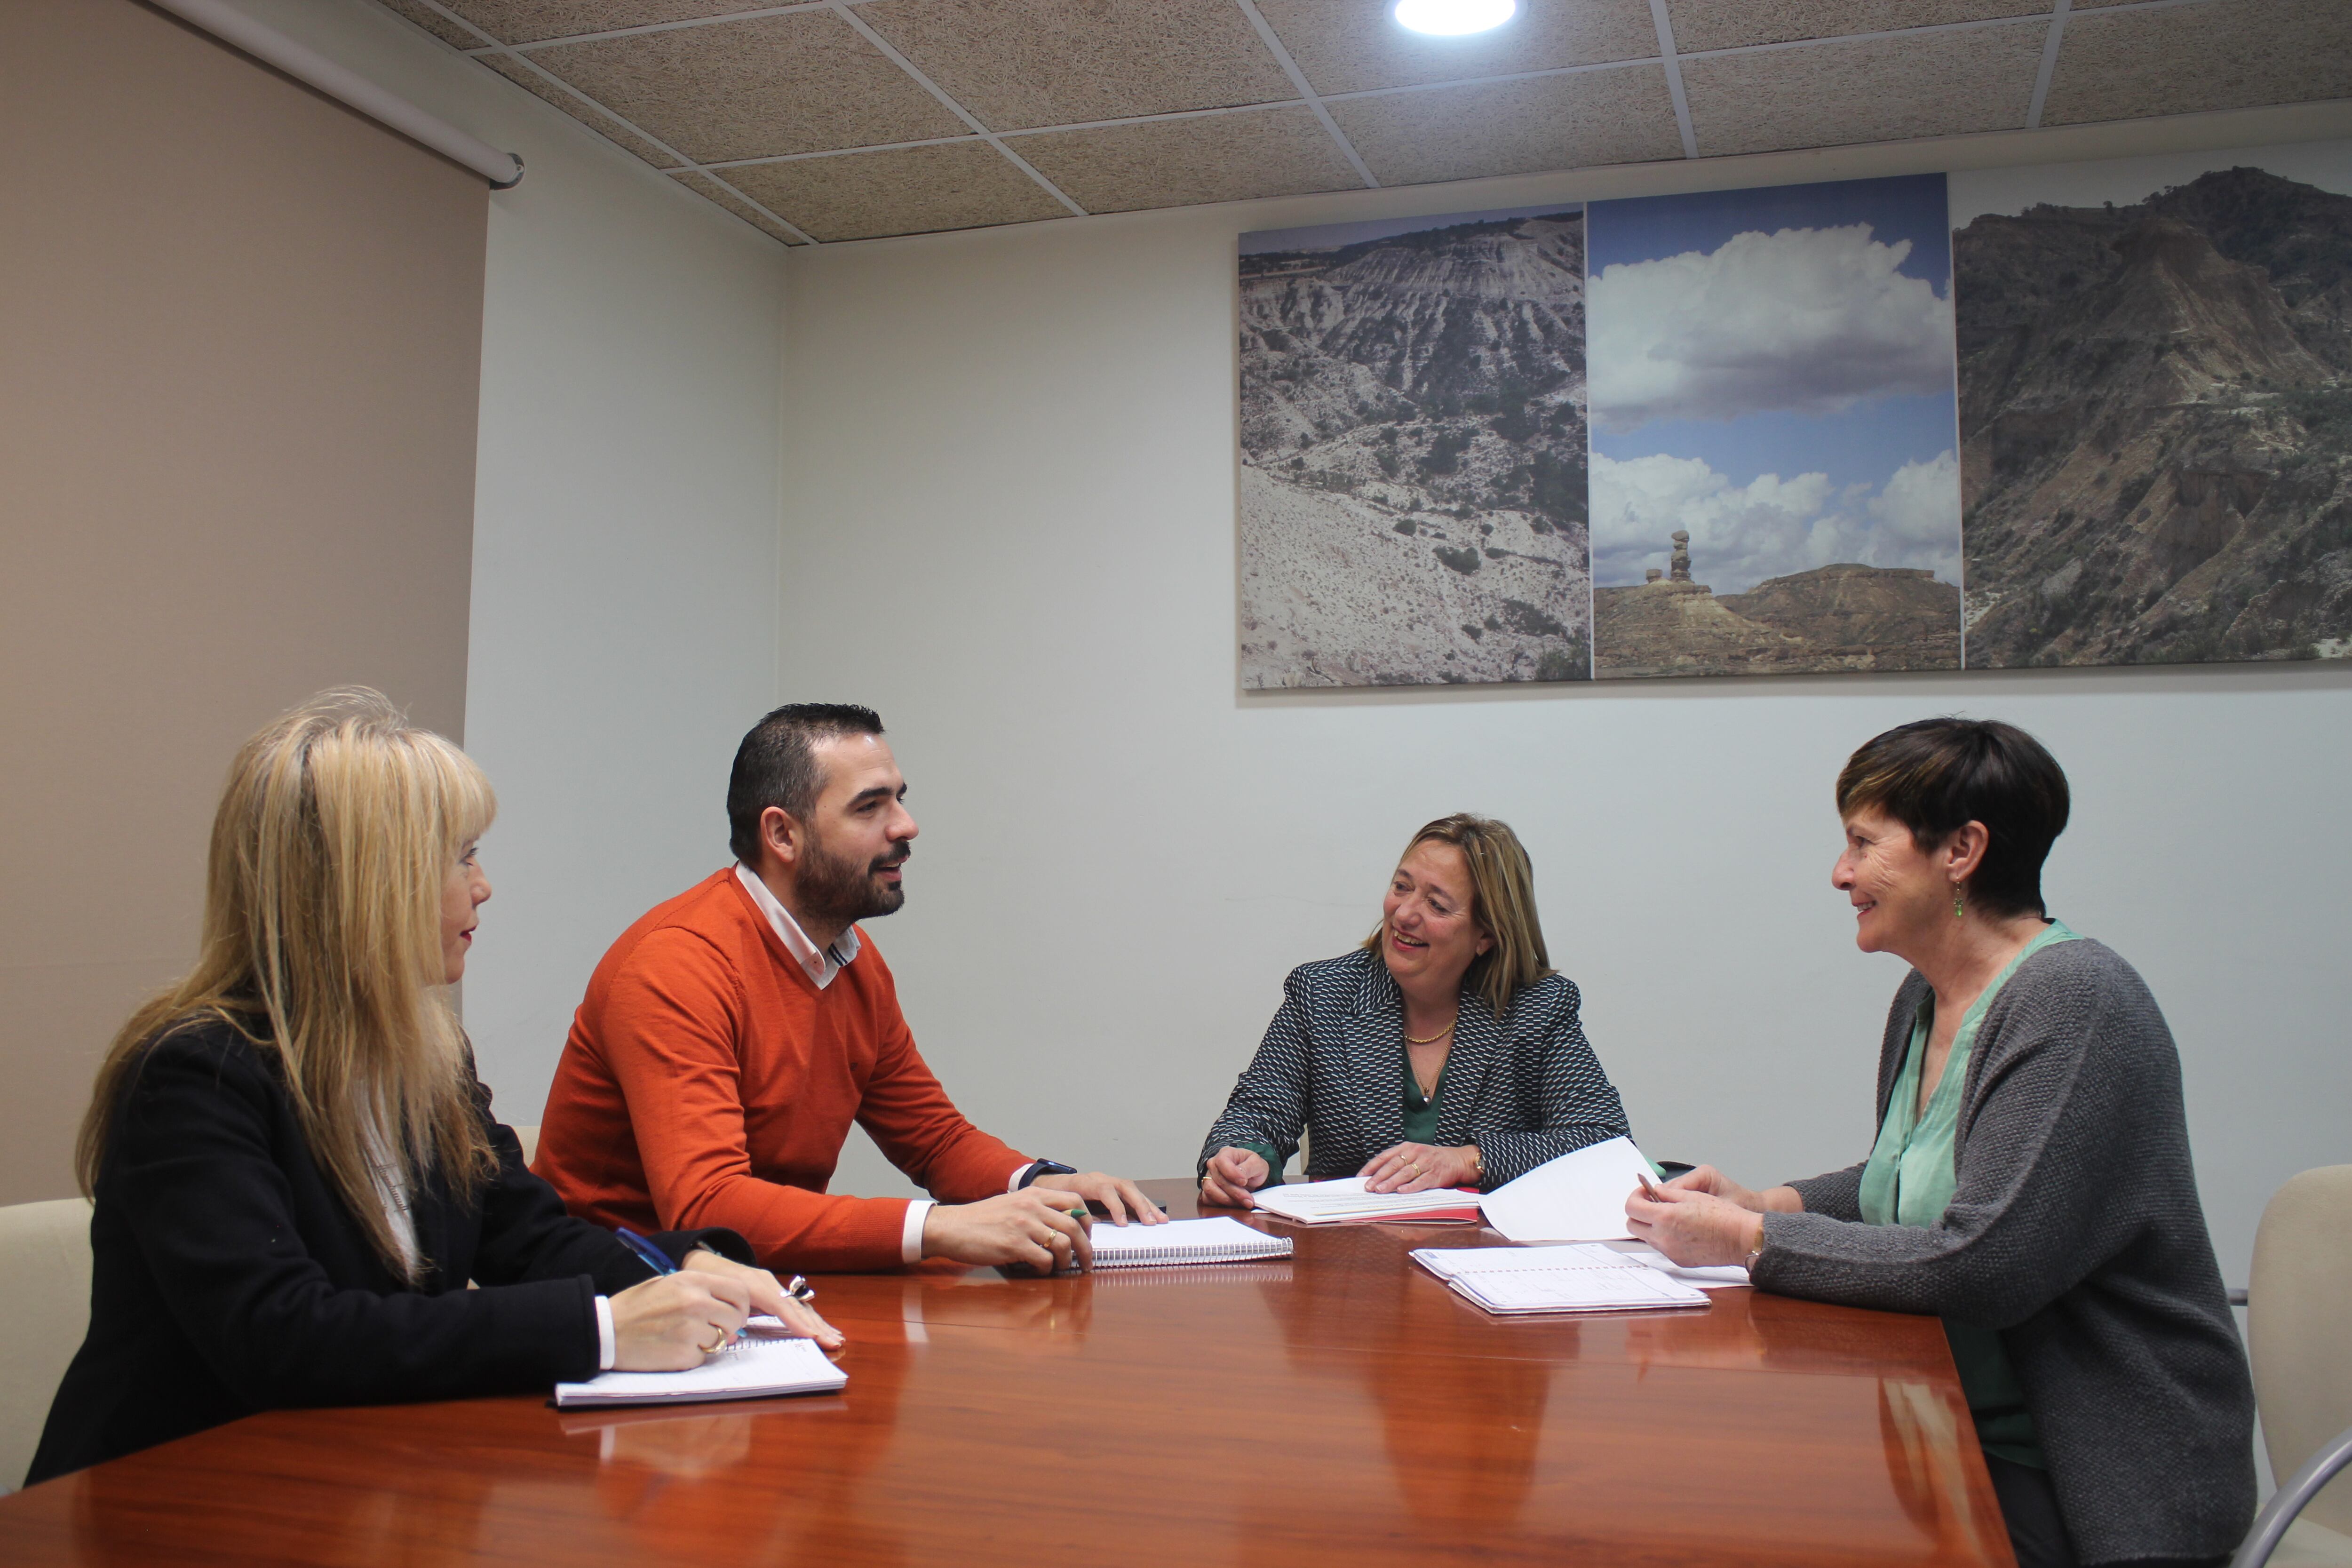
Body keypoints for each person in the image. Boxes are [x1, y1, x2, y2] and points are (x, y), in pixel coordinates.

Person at [29, 691, 837, 1484]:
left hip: (353, 1486)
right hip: (171, 1500)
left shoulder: (428, 1058)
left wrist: (684, 1266)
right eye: (460, 855)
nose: (483, 885)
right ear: (362, 884)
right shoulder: (196, 1074)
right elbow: (283, 1337)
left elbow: (529, 1238)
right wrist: (599, 1329)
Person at [1626, 718, 2255, 1568]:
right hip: (1954, 1430)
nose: (1840, 873)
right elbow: (1910, 1178)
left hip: (2096, 1478)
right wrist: (1765, 1200)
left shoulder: (2078, 1001)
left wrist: (1749, 1241)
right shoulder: (1926, 1000)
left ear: (1962, 849)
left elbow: (1984, 1262)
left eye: (1862, 842)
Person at [533, 703, 1164, 1276]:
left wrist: (1042, 1182)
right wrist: (938, 1227)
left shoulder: (850, 961)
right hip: (623, 1300)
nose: (907, 826)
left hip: (754, 1291)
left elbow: (934, 1139)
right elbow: (708, 1204)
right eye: (871, 807)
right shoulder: (676, 965)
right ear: (782, 835)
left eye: (900, 799)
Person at [1198, 813, 1629, 1207]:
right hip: (1348, 1269)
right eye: (1402, 887)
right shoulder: (1323, 995)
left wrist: (1469, 1160)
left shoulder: (1537, 1009)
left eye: (1437, 905)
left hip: (1489, 1261)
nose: (1404, 914)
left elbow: (1604, 1143)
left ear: (1487, 935)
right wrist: (1241, 1157)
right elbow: (1256, 1111)